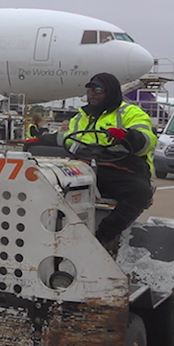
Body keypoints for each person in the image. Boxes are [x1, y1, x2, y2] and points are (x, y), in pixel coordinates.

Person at [27, 72, 156, 251]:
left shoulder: (130, 113)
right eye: (89, 90)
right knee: (45, 183)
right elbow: (67, 139)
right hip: (83, 168)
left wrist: (126, 136)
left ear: (110, 92)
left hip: (120, 169)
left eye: (98, 90)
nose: (92, 94)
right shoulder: (82, 116)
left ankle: (102, 237)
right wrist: (39, 141)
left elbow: (147, 140)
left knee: (140, 192)